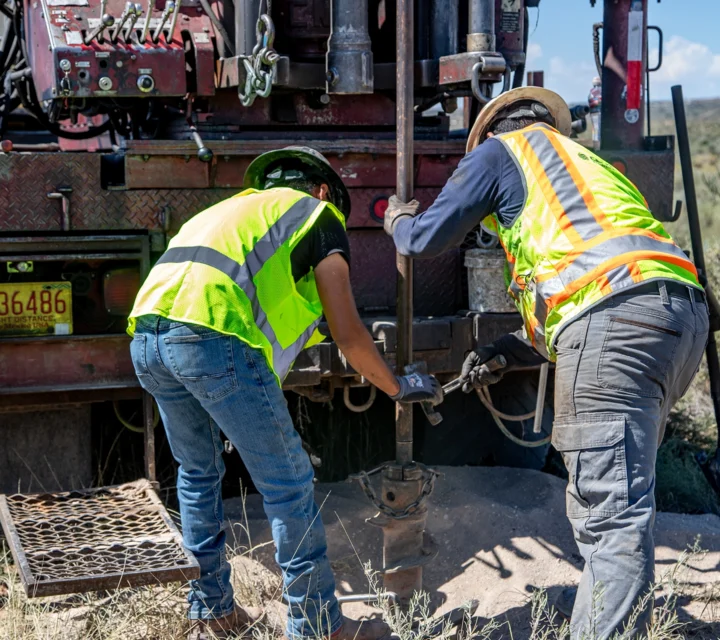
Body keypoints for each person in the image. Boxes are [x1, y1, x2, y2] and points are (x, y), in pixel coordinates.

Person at [383, 87, 709, 639]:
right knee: (625, 497)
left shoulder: (499, 152)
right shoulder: (586, 165)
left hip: (616, 319)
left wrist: (396, 220)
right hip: (677, 316)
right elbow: (581, 283)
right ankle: (606, 609)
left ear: (490, 133)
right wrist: (501, 351)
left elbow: (423, 239)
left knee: (611, 519)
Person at [128, 147, 442, 640]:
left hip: (147, 340)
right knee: (289, 483)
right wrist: (397, 386)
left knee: (197, 473)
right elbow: (349, 334)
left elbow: (279, 307)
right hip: (213, 339)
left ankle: (210, 609)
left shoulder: (228, 213)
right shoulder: (317, 215)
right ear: (321, 191)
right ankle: (316, 625)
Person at [588, 76, 602, 150]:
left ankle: (596, 147)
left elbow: (590, 102)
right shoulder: (601, 91)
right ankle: (598, 147)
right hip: (599, 113)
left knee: (595, 130)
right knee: (598, 130)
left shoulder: (591, 92)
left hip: (593, 113)